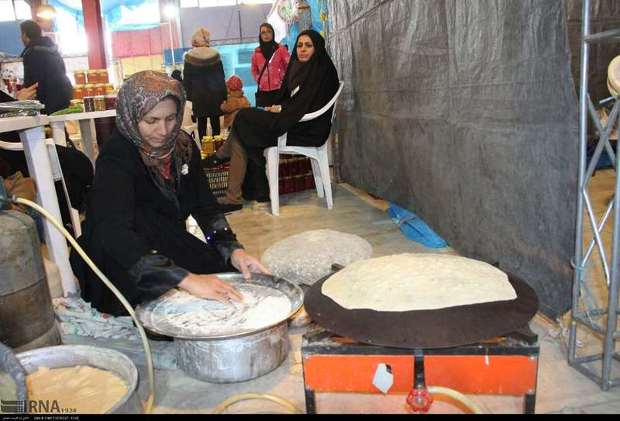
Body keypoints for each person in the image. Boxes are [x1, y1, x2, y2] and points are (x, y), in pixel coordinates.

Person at [70, 71, 269, 317]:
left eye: (171, 118)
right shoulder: (116, 157)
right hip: (120, 254)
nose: (163, 131)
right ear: (132, 117)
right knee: (168, 313)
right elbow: (114, 233)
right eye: (151, 121)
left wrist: (233, 250)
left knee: (227, 280)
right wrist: (184, 279)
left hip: (164, 240)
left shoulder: (183, 147)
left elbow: (206, 208)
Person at [215, 30, 339, 208]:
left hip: (307, 129)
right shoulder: (300, 68)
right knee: (244, 128)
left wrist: (281, 109)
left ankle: (231, 177)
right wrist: (278, 108)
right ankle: (236, 195)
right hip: (293, 120)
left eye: (308, 45)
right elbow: (290, 98)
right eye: (299, 45)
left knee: (243, 118)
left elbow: (308, 104)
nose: (302, 49)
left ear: (317, 48)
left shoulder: (321, 69)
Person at [0, 86, 93, 233]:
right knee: (73, 162)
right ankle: (66, 223)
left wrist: (15, 104)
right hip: (15, 152)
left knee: (75, 161)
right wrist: (16, 104)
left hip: (21, 144)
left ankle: (70, 220)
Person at [20, 20, 73, 115]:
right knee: (60, 126)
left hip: (48, 100)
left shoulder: (31, 52)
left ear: (24, 34)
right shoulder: (53, 48)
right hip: (65, 94)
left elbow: (31, 84)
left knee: (50, 127)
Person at [183, 28, 227, 139]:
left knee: (201, 125)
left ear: (195, 41)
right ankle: (217, 149)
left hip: (199, 96)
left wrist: (188, 98)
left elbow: (187, 80)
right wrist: (224, 96)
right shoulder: (215, 55)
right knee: (215, 124)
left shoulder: (189, 57)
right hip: (215, 95)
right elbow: (221, 77)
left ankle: (204, 151)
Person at [252, 23, 290, 108]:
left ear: (273, 33)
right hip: (264, 92)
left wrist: (283, 79)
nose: (266, 34)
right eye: (263, 32)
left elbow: (289, 65)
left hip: (279, 89)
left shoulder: (281, 50)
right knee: (265, 118)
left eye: (269, 31)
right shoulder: (256, 53)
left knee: (280, 116)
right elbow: (254, 70)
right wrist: (260, 80)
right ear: (260, 35)